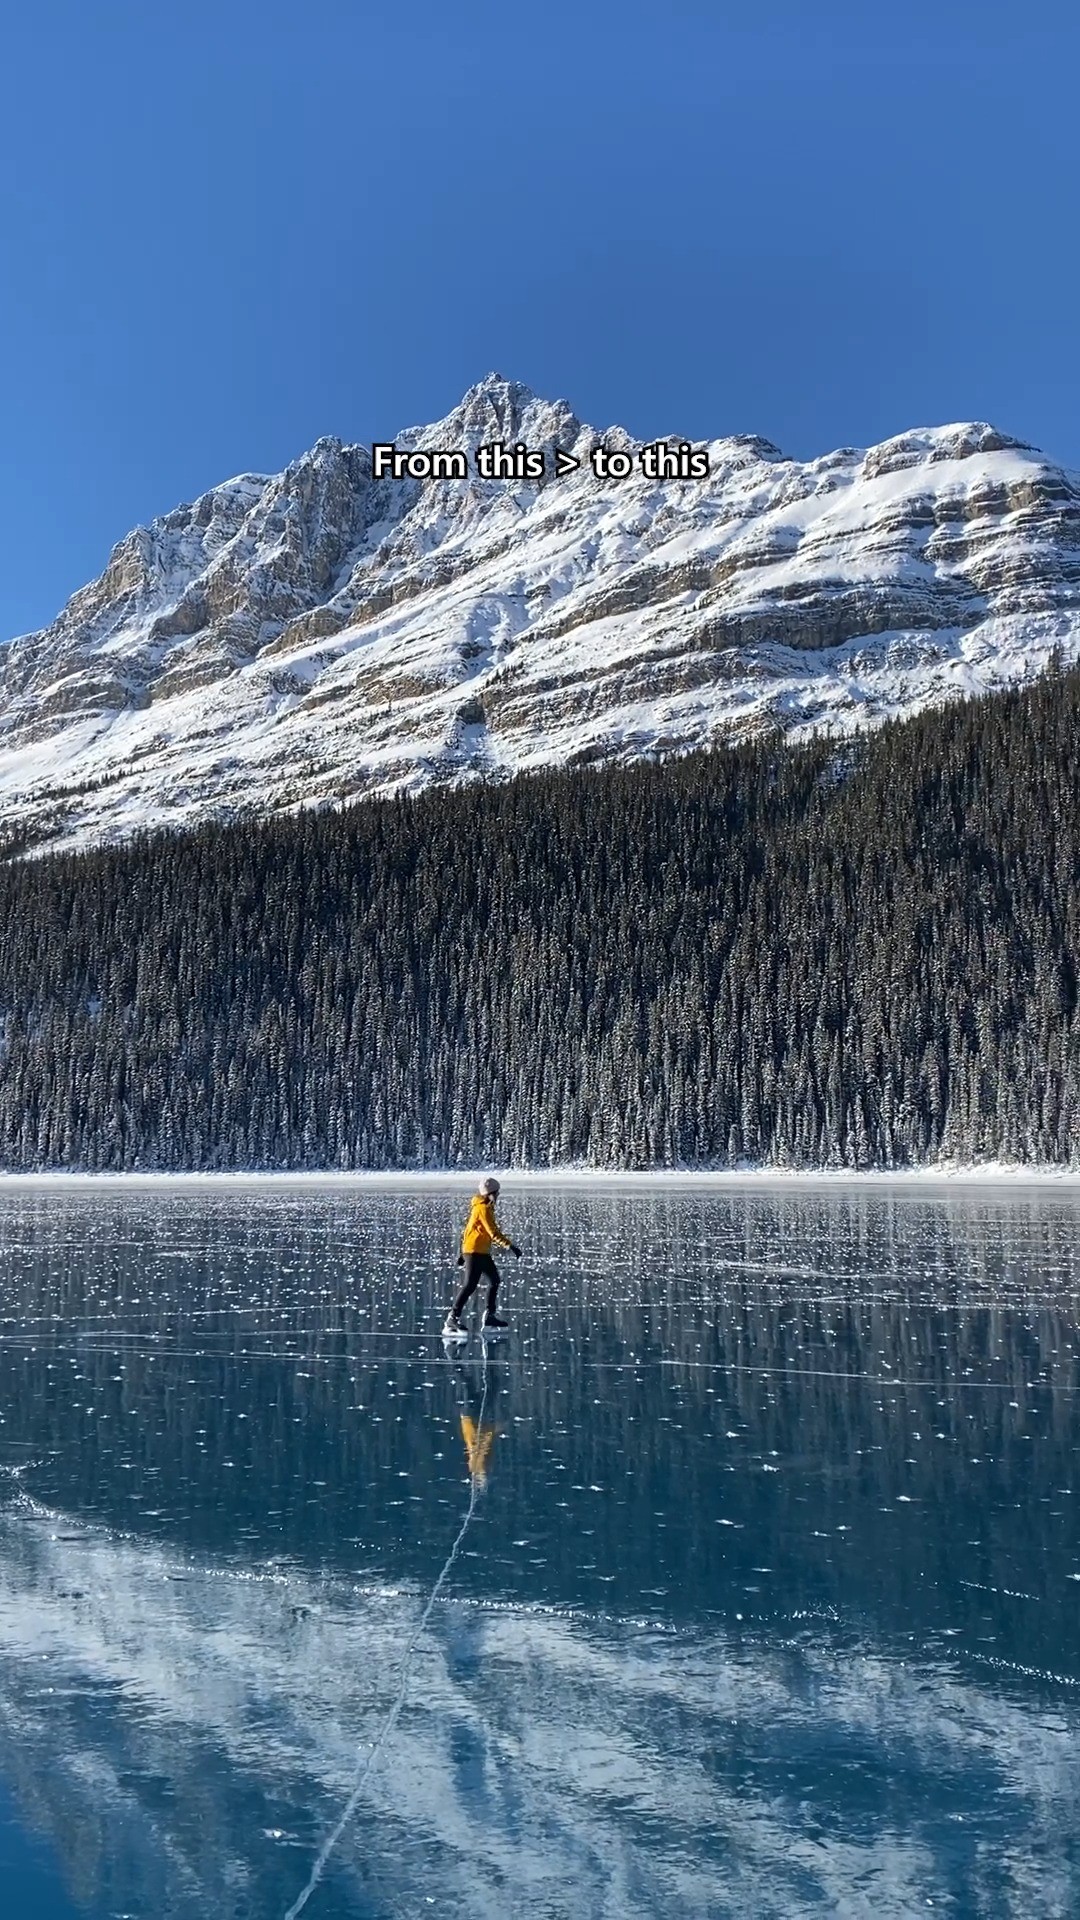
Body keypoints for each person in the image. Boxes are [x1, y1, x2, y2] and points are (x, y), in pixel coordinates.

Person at [443, 1176, 521, 1334]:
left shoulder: (484, 1206)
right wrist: (510, 1246)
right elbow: (492, 1232)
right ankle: (452, 1319)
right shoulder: (482, 1208)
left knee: (494, 1280)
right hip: (474, 1252)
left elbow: (468, 1231)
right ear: (491, 1193)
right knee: (470, 1285)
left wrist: (461, 1252)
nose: (498, 1195)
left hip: (479, 1251)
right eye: (497, 1192)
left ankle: (489, 1317)